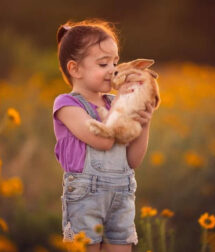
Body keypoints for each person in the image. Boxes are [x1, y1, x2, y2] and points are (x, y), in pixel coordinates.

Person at [52, 19, 156, 252]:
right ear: (75, 69)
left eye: (116, 62)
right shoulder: (67, 105)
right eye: (103, 64)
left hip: (122, 196)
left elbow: (132, 161)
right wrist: (122, 103)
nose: (113, 70)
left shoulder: (112, 102)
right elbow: (104, 139)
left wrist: (144, 124)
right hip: (85, 200)